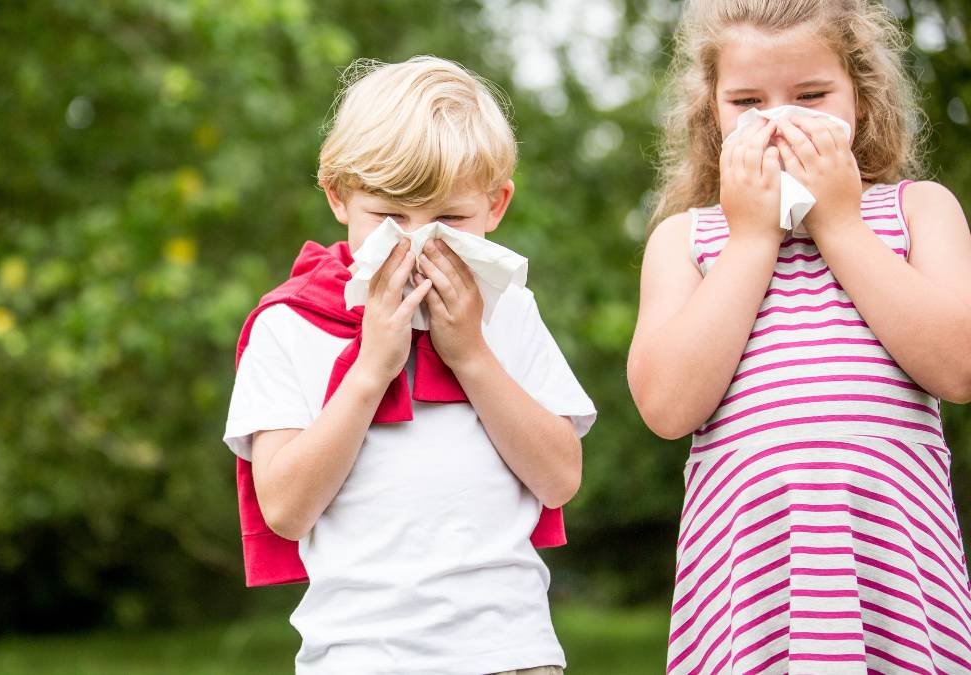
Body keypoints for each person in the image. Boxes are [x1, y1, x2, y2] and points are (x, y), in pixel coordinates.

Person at [223, 56, 596, 674]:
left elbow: (560, 479)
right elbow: (285, 511)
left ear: (496, 206)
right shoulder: (288, 325)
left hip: (511, 651)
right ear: (339, 195)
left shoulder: (507, 312)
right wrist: (372, 368)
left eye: (449, 219)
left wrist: (471, 354)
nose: (417, 242)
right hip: (358, 655)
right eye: (391, 217)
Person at [629, 0, 971, 672]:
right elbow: (667, 408)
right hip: (753, 578)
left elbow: (958, 368)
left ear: (861, 100)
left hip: (891, 569)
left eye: (811, 95)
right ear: (713, 114)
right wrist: (753, 236)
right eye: (748, 101)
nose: (779, 121)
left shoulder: (917, 210)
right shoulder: (687, 239)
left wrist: (840, 223)